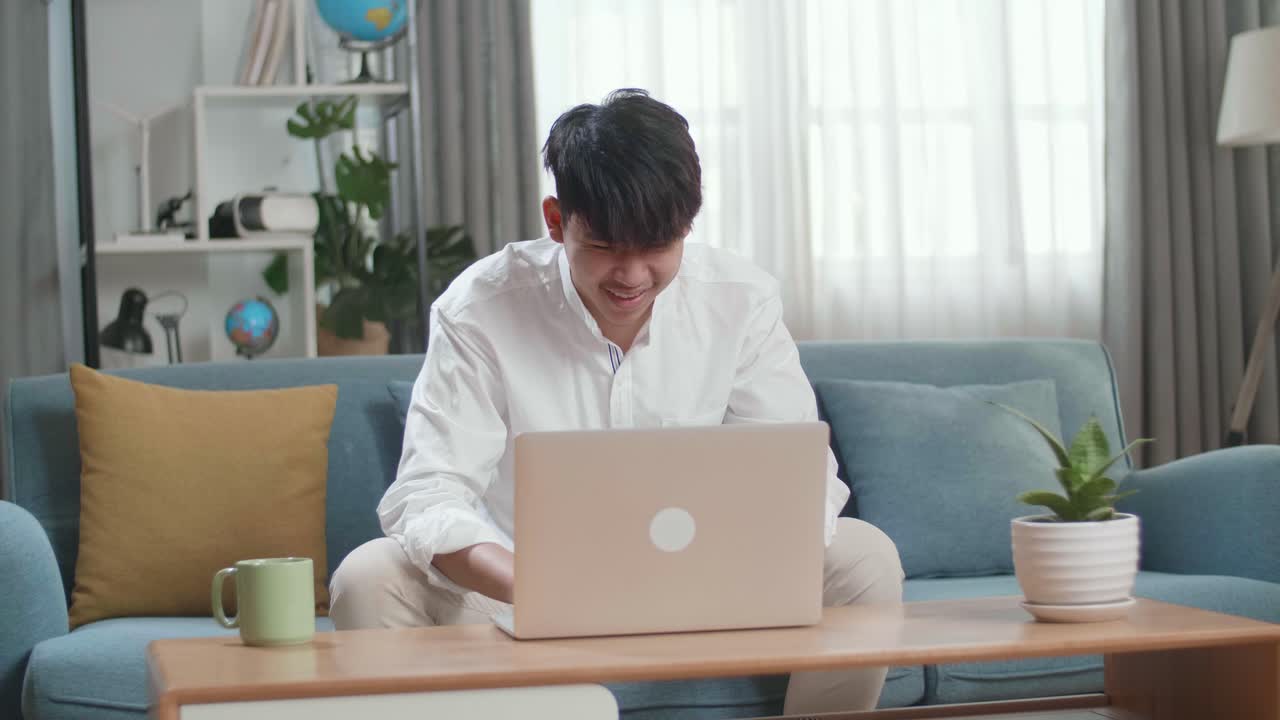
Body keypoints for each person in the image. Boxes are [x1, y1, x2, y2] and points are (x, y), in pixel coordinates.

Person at [329, 88, 904, 714]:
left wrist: (737, 560)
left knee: (867, 557)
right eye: (604, 247)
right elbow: (429, 492)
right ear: (556, 221)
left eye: (657, 248)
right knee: (369, 577)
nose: (631, 276)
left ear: (687, 226)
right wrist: (536, 585)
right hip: (522, 591)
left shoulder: (741, 300)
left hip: (706, 583)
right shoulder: (481, 308)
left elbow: (801, 476)